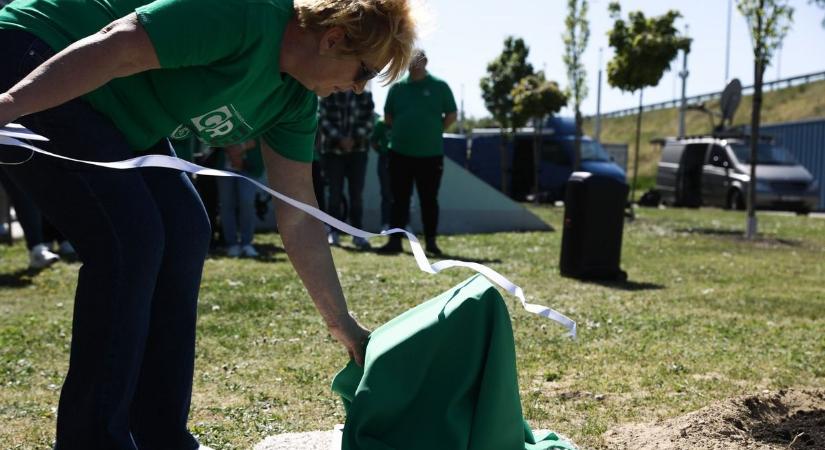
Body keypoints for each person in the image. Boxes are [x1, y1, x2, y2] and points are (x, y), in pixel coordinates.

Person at [0, 0, 416, 448]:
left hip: (113, 112)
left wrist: (343, 324)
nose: (358, 90)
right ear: (333, 39)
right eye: (364, 72)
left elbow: (298, 213)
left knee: (185, 231)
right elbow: (116, 47)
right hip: (39, 54)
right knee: (132, 237)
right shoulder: (244, 13)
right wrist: (7, 105)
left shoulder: (294, 100)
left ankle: (161, 436)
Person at [378, 49, 457, 256]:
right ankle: (395, 242)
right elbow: (388, 117)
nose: (413, 65)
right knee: (399, 199)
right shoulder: (397, 87)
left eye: (417, 61)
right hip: (399, 153)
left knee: (429, 199)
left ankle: (431, 242)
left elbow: (451, 114)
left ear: (426, 62)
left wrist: (433, 129)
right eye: (409, 61)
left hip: (430, 155)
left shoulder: (439, 86)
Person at [318, 90, 375, 249]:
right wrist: (340, 138)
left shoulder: (365, 96)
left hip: (358, 153)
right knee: (334, 194)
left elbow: (370, 122)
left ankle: (358, 234)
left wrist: (354, 139)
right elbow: (322, 120)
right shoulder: (328, 93)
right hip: (333, 153)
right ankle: (333, 232)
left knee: (356, 195)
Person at [216, 139, 265, 258]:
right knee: (227, 204)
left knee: (247, 202)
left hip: (251, 166)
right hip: (224, 166)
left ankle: (247, 243)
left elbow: (259, 136)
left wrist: (240, 149)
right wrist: (232, 151)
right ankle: (232, 244)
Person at [370, 114, 393, 230]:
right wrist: (382, 152)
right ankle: (386, 224)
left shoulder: (404, 120)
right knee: (386, 193)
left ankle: (404, 223)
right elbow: (373, 141)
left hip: (402, 158)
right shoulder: (381, 123)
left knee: (404, 194)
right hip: (385, 158)